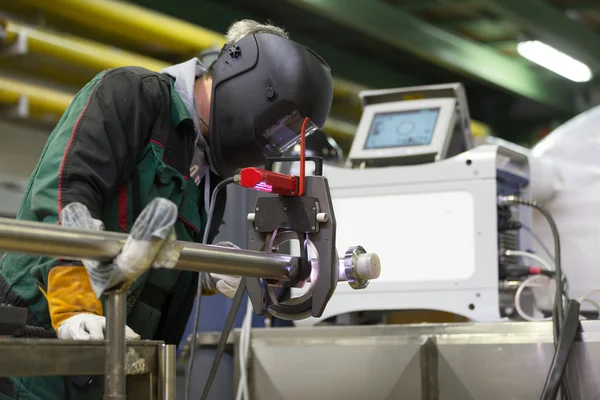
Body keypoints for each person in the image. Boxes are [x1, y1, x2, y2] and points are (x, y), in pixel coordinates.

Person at [0, 19, 333, 399]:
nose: (271, 145)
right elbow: (64, 189)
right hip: (39, 342)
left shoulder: (209, 168)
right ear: (251, 84)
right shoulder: (132, 95)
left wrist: (202, 268)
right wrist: (74, 302)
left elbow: (152, 250)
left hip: (116, 360)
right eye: (277, 130)